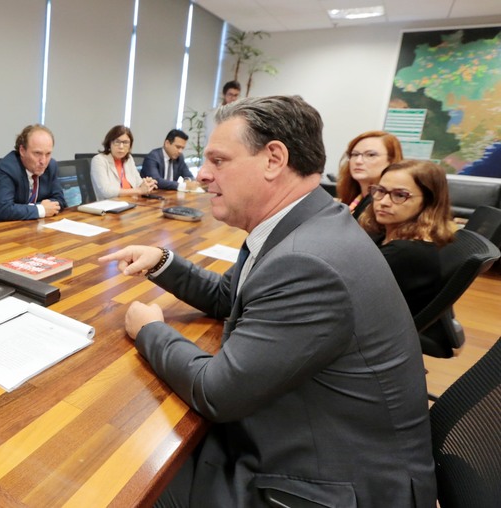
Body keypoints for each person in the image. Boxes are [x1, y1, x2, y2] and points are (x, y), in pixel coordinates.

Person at [99, 96, 436, 507]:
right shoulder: (306, 224)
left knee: (118, 478)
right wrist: (163, 262)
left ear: (274, 159)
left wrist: (151, 330)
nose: (202, 175)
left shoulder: (306, 261)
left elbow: (217, 391)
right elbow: (230, 296)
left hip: (322, 485)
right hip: (313, 439)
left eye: (218, 161)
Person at [359, 160, 456, 315]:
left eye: (400, 195)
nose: (383, 202)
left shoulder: (406, 252)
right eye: (381, 191)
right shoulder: (388, 235)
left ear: (428, 201)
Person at [0, 124, 67, 226]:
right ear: (22, 150)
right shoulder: (7, 168)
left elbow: (60, 200)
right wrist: (41, 209)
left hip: (29, 227)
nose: (43, 161)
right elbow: (3, 210)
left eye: (48, 154)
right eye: (37, 153)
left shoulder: (51, 166)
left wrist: (41, 208)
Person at [336, 130, 404, 220]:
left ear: (391, 160)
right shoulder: (353, 197)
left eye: (371, 155)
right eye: (355, 154)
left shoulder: (387, 207)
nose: (358, 161)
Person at [90, 125, 158, 200]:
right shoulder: (99, 160)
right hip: (109, 206)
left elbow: (137, 182)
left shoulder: (129, 159)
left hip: (131, 203)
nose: (121, 146)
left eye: (125, 142)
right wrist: (139, 190)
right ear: (109, 143)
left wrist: (145, 183)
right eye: (117, 142)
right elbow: (106, 191)